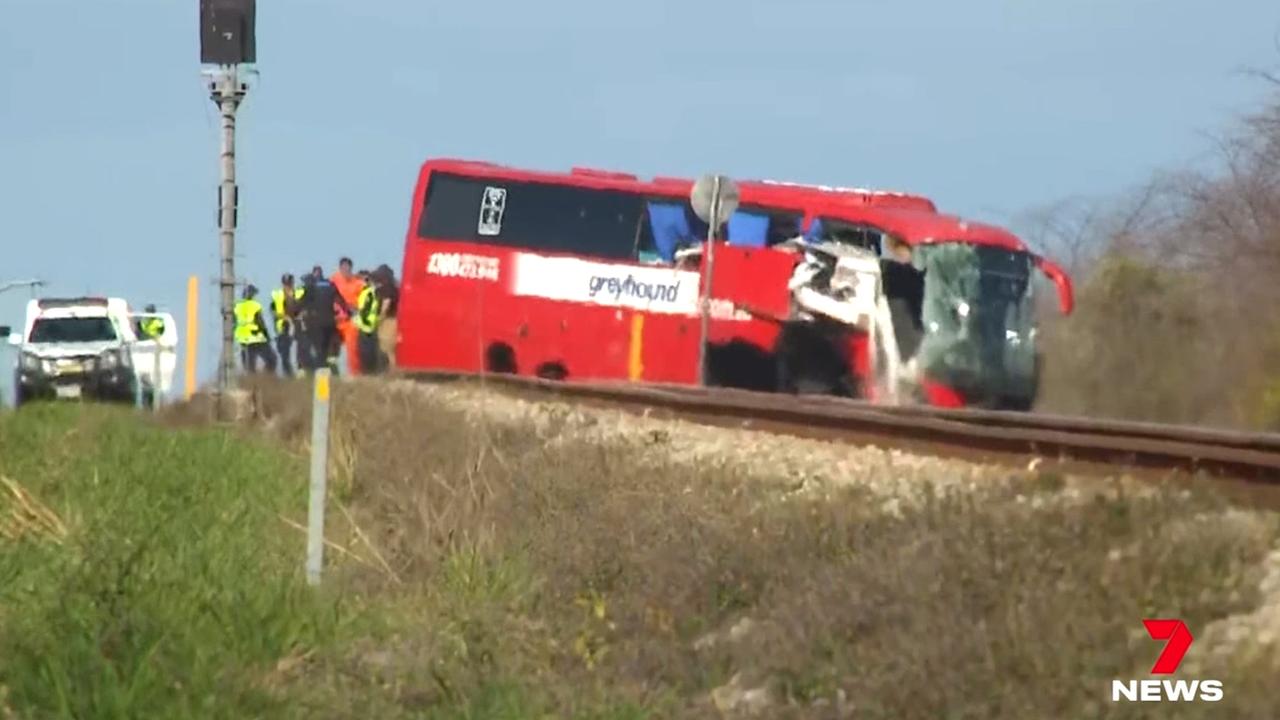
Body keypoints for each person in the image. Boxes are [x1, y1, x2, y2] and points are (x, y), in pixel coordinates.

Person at [298, 265, 351, 375]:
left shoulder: (311, 286)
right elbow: (341, 301)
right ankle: (328, 375)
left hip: (316, 323)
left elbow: (301, 303)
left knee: (319, 352)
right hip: (330, 323)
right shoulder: (330, 285)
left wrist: (296, 312)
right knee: (327, 351)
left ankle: (321, 383)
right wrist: (349, 313)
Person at [330, 257, 364, 375]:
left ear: (351, 268)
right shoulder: (333, 280)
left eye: (347, 267)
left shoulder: (358, 283)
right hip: (335, 321)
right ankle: (332, 377)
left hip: (350, 321)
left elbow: (364, 301)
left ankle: (354, 375)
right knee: (330, 352)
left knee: (352, 349)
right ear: (339, 268)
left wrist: (355, 307)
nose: (345, 270)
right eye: (342, 267)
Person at [234, 284, 277, 373]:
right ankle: (266, 378)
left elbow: (234, 322)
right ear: (252, 294)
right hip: (256, 337)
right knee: (272, 359)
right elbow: (260, 321)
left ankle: (252, 380)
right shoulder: (255, 305)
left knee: (249, 365)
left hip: (243, 339)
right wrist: (267, 335)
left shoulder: (237, 306)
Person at [270, 273, 305, 378]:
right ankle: (288, 375)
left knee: (302, 347)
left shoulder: (298, 293)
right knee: (284, 353)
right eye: (286, 283)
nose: (288, 285)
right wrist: (283, 317)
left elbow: (304, 307)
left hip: (297, 324)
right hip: (283, 326)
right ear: (283, 283)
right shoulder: (277, 295)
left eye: (289, 283)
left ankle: (301, 371)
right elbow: (273, 311)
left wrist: (302, 315)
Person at [353, 270, 384, 374]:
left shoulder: (368, 292)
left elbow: (365, 308)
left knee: (365, 351)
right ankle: (370, 371)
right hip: (370, 324)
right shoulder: (370, 292)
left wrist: (361, 318)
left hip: (366, 325)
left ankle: (368, 371)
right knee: (368, 351)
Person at [371, 263, 399, 370]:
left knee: (388, 348)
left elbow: (386, 303)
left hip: (389, 320)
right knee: (389, 348)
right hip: (392, 319)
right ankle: (393, 369)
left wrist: (380, 317)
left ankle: (393, 370)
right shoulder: (394, 286)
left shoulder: (387, 288)